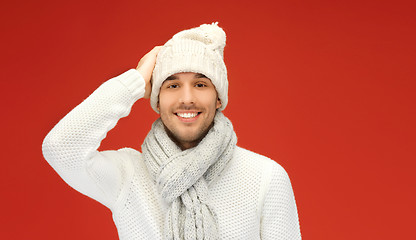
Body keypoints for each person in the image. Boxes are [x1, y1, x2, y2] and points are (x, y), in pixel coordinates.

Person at [42, 23, 301, 240]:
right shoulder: (128, 175)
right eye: (172, 85)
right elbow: (60, 147)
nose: (187, 99)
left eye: (200, 84)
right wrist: (135, 80)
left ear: (219, 98)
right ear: (155, 99)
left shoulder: (266, 177)